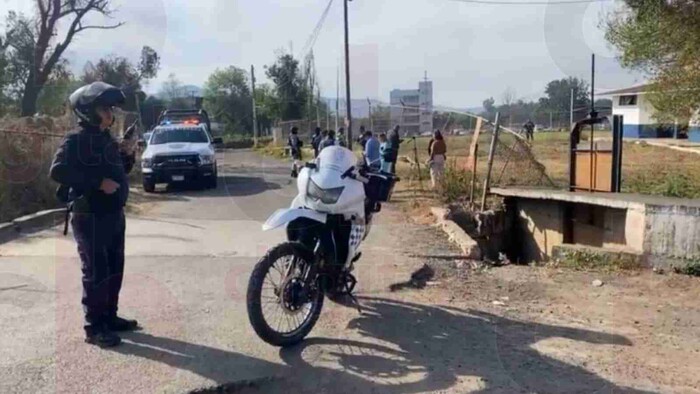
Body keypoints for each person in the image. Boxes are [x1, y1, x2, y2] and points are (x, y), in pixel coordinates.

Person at [50, 82, 139, 348]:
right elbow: (58, 171)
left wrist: (128, 155)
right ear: (88, 111)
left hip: (113, 214)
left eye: (111, 107)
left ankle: (110, 318)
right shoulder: (75, 140)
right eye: (104, 108)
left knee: (114, 269)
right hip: (90, 216)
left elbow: (119, 170)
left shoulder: (106, 139)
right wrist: (98, 183)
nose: (110, 113)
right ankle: (94, 327)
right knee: (96, 272)